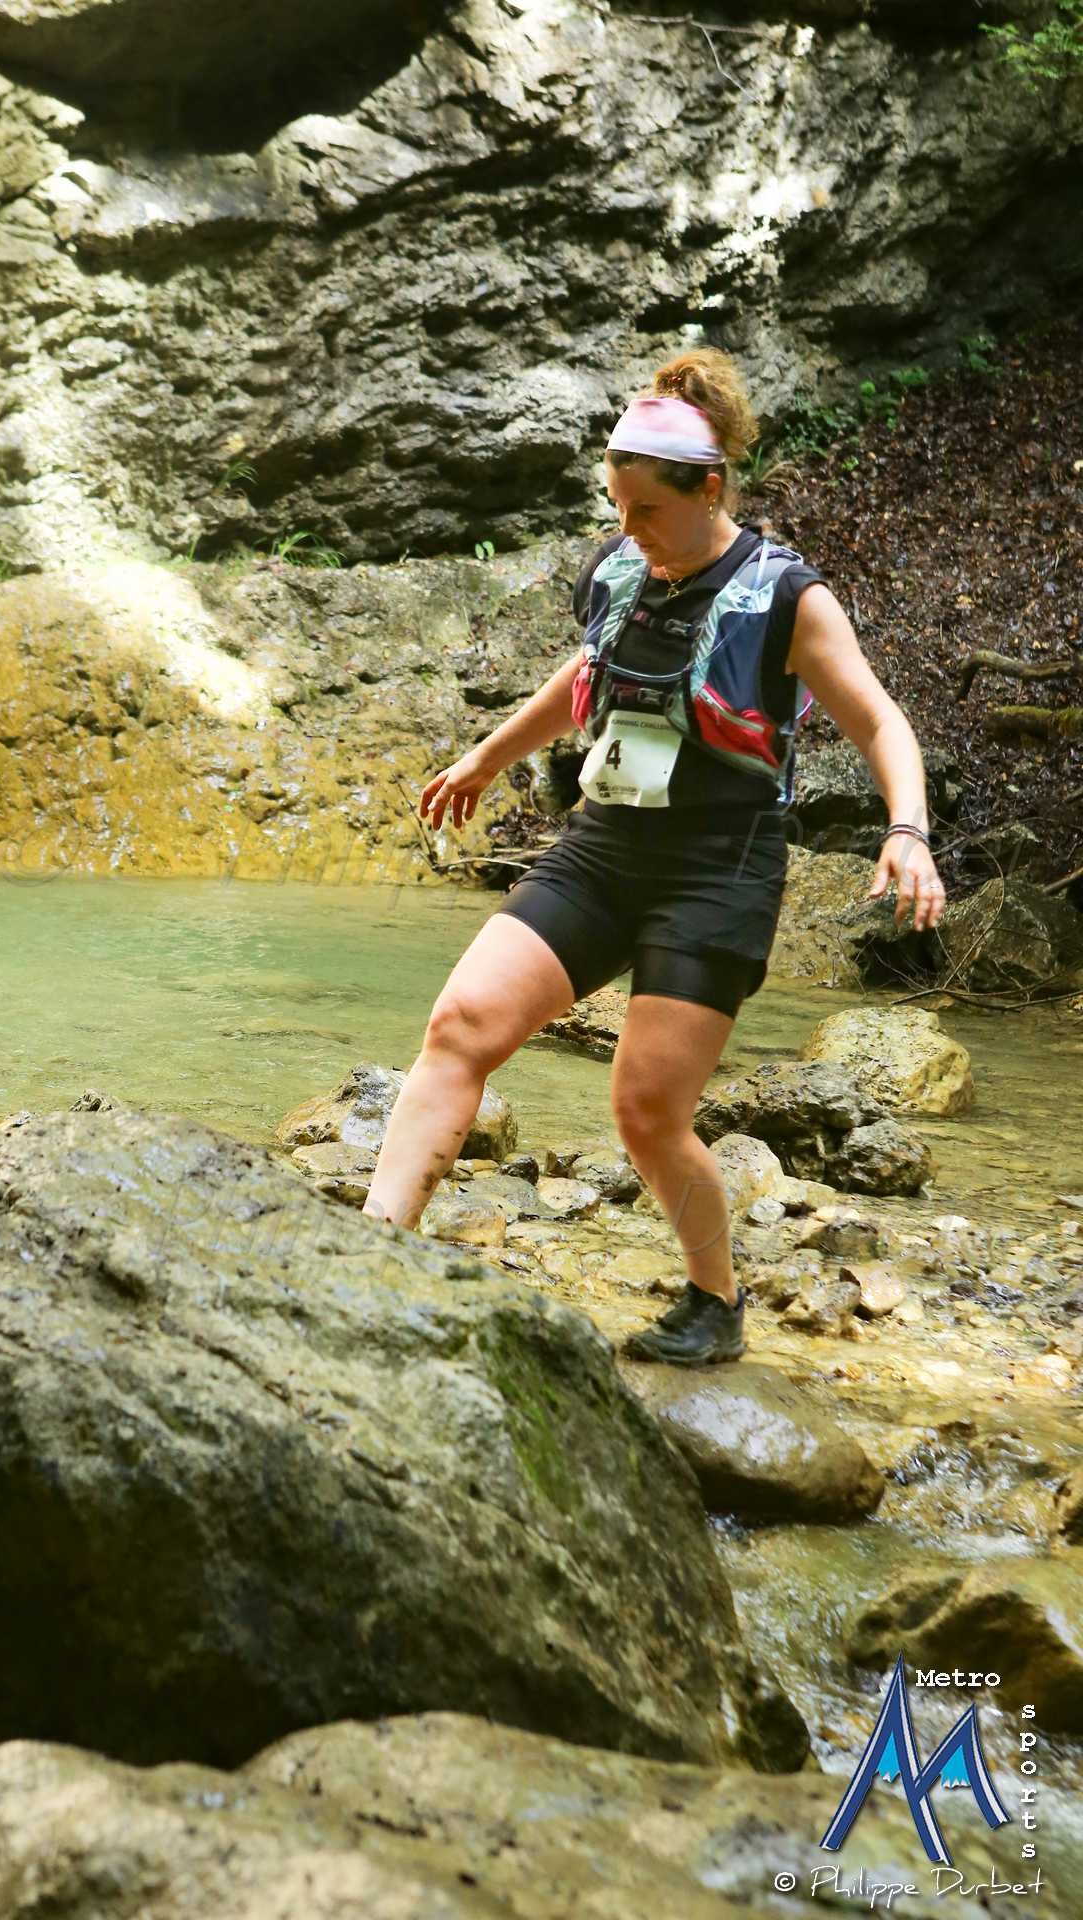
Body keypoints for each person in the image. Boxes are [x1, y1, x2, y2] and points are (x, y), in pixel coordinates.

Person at [361, 346, 947, 1365]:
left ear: (707, 487)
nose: (626, 529)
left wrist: (907, 829)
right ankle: (370, 1258)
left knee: (645, 1111)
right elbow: (584, 674)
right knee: (458, 1027)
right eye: (617, 508)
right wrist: (485, 757)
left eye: (646, 510)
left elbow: (878, 721)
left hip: (717, 866)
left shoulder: (788, 597)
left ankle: (714, 1302)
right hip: (604, 847)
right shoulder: (618, 570)